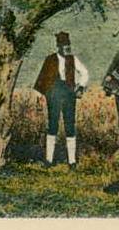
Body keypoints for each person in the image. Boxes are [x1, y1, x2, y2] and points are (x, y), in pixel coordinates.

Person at [33, 32, 89, 169]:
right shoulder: (50, 60)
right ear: (58, 46)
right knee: (52, 125)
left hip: (69, 93)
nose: (67, 49)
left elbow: (85, 73)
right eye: (64, 46)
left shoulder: (73, 59)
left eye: (68, 45)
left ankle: (72, 162)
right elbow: (42, 78)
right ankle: (49, 160)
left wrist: (80, 86)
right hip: (53, 94)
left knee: (70, 126)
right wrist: (39, 97)